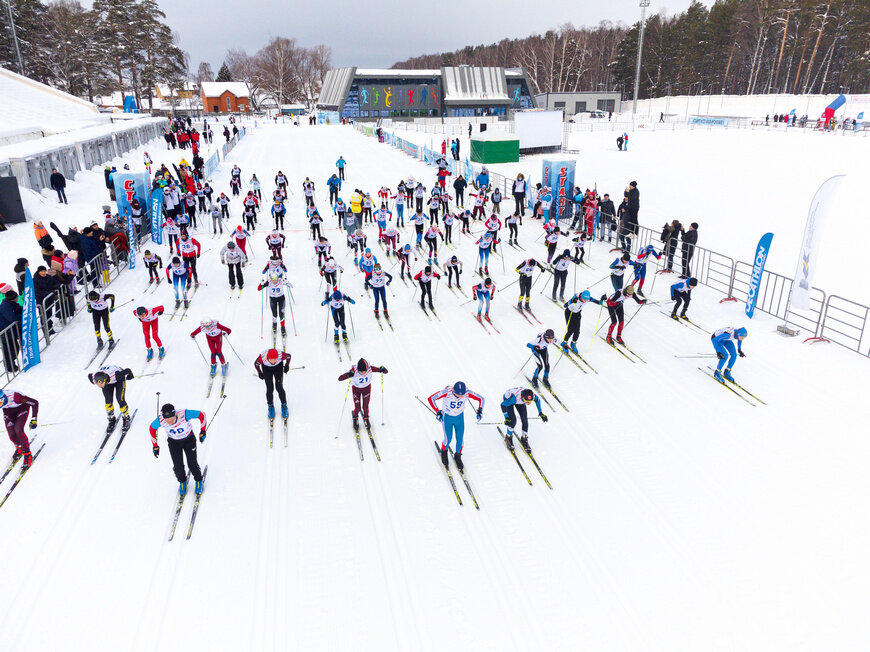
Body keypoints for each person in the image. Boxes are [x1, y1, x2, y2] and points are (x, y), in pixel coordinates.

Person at [150, 403, 207, 495]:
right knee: (178, 466)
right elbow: (152, 428)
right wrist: (155, 446)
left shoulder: (184, 414)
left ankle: (198, 480)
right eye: (167, 421)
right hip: (174, 443)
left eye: (172, 420)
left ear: (175, 414)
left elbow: (202, 415)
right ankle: (182, 481)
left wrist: (203, 431)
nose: (170, 422)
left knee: (192, 464)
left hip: (189, 440)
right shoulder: (161, 420)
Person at [428, 381, 484, 470]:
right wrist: (438, 412)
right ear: (454, 391)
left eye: (462, 394)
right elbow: (431, 398)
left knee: (460, 439)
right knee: (448, 439)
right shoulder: (447, 392)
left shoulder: (467, 392)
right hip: (448, 419)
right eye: (458, 394)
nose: (461, 396)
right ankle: (444, 452)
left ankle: (458, 456)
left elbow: (481, 399)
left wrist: (480, 410)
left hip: (459, 419)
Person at [338, 358, 388, 431]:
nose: (363, 373)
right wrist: (348, 375)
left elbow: (384, 371)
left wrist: (382, 369)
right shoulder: (354, 371)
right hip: (356, 390)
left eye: (364, 371)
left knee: (365, 407)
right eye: (361, 371)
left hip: (366, 390)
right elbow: (340, 378)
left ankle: (366, 417)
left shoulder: (370, 368)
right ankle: (355, 417)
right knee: (357, 408)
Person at [88, 365, 134, 431]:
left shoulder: (116, 375)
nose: (100, 386)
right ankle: (111, 419)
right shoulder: (94, 379)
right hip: (107, 381)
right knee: (108, 400)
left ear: (105, 380)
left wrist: (130, 376)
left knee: (120, 399)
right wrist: (102, 383)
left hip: (118, 379)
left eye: (101, 383)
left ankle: (126, 417)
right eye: (98, 384)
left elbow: (128, 370)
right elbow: (89, 375)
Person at [500, 387, 546, 451]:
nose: (528, 403)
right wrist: (506, 417)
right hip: (509, 399)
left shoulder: (532, 395)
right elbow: (503, 405)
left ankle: (524, 437)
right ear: (523, 398)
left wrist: (540, 413)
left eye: (530, 401)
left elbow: (537, 400)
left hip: (520, 400)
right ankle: (508, 437)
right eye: (527, 401)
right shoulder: (514, 399)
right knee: (513, 421)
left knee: (525, 420)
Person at [1, 390, 38, 469]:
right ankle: (20, 446)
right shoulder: (3, 402)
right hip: (8, 411)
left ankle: (27, 454)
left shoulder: (16, 397)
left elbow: (35, 403)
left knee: (18, 429)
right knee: (11, 433)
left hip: (21, 407)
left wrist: (34, 419)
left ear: (4, 398)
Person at [254, 349, 291, 419]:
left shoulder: (281, 355)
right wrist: (260, 372)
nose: (273, 361)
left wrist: (287, 365)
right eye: (271, 359)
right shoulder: (262, 358)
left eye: (275, 359)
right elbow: (256, 364)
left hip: (278, 368)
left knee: (279, 387)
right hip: (267, 369)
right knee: (269, 388)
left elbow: (289, 356)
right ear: (268, 357)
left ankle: (284, 405)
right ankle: (270, 406)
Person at [258, 272, 290, 338]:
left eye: (276, 279)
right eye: (273, 279)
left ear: (278, 278)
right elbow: (259, 289)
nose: (274, 281)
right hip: (273, 299)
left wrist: (287, 282)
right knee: (274, 313)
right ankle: (274, 325)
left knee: (281, 314)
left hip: (281, 298)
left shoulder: (281, 281)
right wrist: (261, 284)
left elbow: (291, 286)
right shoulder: (269, 282)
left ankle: (283, 327)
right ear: (271, 279)